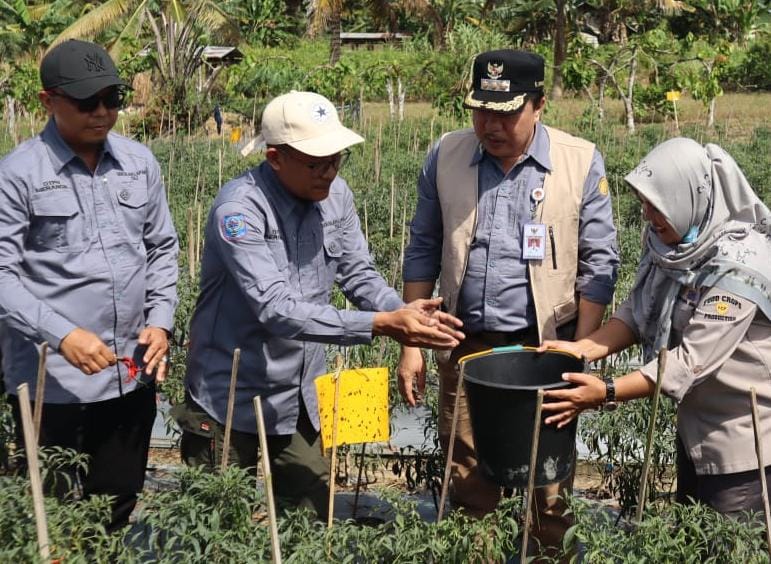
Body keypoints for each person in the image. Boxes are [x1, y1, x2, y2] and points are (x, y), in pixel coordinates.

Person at [176, 91, 464, 518]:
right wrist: (383, 323)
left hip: (300, 397)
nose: (329, 171)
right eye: (317, 163)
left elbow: (358, 274)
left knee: (309, 517)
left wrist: (405, 312)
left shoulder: (336, 195)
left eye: (337, 158)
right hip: (231, 395)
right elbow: (276, 308)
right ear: (275, 158)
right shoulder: (239, 211)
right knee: (215, 524)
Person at [398, 49, 619, 552]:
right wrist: (411, 343)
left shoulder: (578, 160)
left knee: (548, 491)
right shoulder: (446, 155)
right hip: (467, 346)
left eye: (506, 113)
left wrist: (580, 348)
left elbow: (600, 264)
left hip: (545, 352)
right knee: (469, 480)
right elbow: (423, 247)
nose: (490, 125)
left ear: (540, 105)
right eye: (481, 111)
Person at [541, 137, 771, 519]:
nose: (648, 214)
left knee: (727, 544)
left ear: (687, 197)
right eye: (644, 203)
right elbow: (638, 310)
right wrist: (583, 349)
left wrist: (607, 391)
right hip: (696, 428)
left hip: (744, 441)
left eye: (656, 204)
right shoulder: (671, 244)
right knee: (692, 537)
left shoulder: (740, 267)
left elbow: (688, 361)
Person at [0, 39, 179, 531]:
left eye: (112, 99)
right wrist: (63, 335)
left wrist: (161, 323)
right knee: (54, 515)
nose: (102, 113)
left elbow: (162, 248)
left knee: (117, 505)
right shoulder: (17, 175)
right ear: (47, 101)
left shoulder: (140, 163)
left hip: (130, 374)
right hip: (52, 384)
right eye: (86, 103)